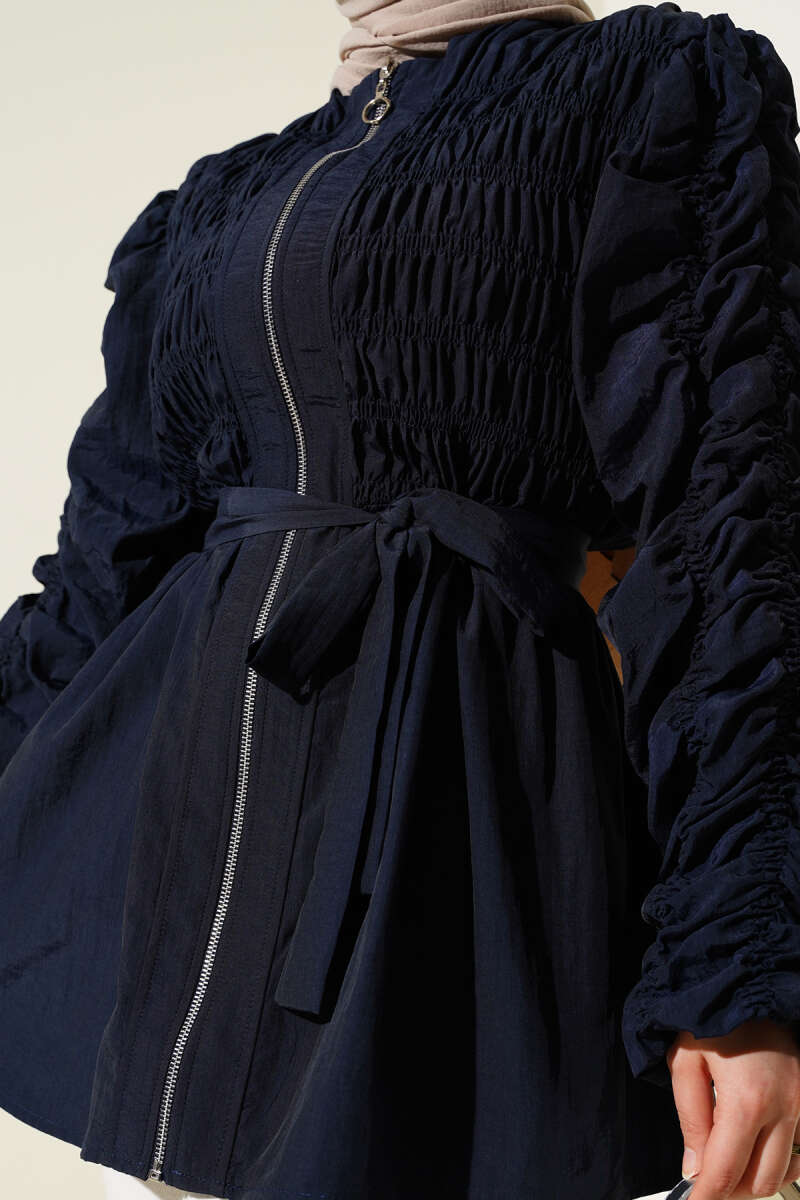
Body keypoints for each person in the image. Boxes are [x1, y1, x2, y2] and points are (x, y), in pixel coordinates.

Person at [2, 2, 800, 1199]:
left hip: (463, 835)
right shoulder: (221, 198)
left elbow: (733, 531)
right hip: (180, 867)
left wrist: (741, 969)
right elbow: (99, 576)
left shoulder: (643, 90)